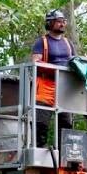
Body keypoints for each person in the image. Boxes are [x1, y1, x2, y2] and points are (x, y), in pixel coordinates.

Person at [31, 9, 76, 147]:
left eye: (64, 21)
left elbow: (75, 62)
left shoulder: (68, 43)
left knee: (66, 123)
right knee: (41, 122)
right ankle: (38, 149)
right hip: (45, 86)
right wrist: (54, 69)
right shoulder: (42, 42)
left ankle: (65, 153)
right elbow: (35, 62)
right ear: (50, 23)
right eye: (59, 21)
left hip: (64, 87)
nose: (62, 24)